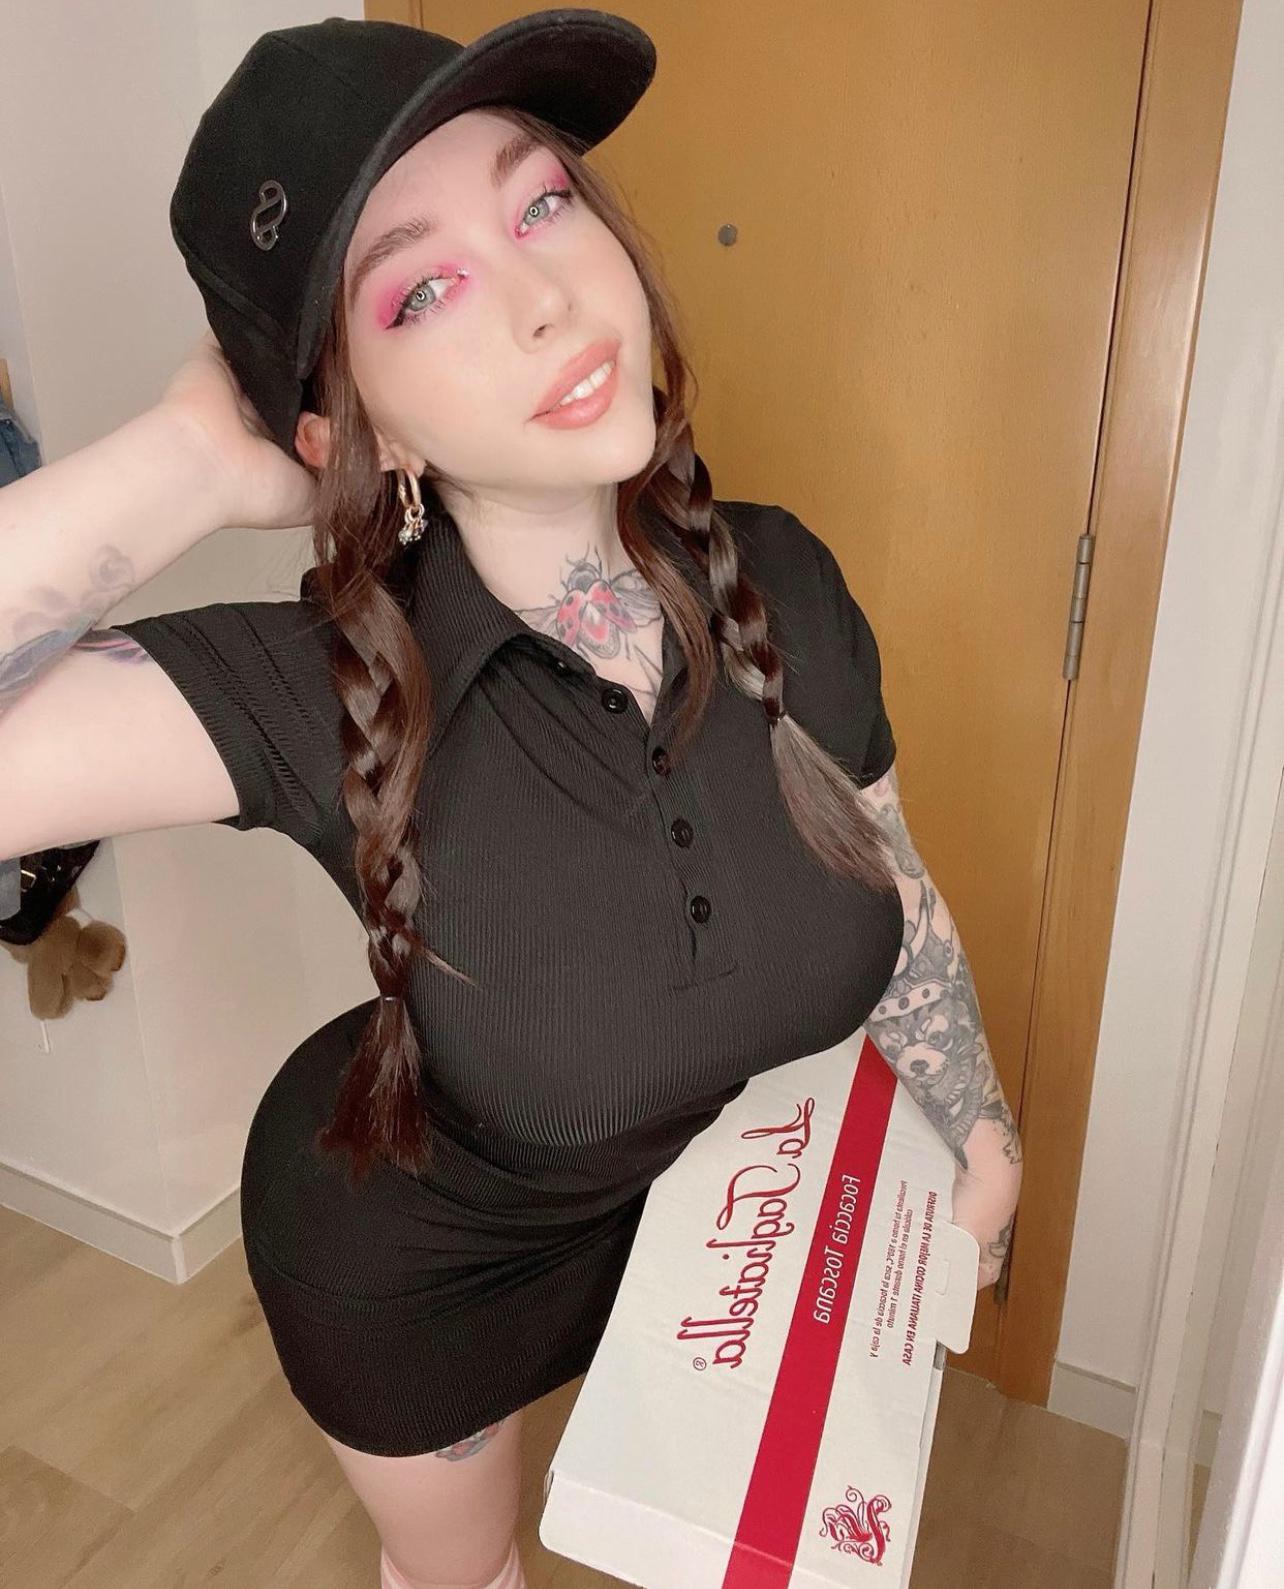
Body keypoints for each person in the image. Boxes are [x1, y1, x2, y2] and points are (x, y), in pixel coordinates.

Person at [0, 12, 1022, 1588]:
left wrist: (982, 1117)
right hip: (424, 1271)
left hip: (697, 1216)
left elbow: (890, 871)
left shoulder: (791, 582)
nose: (547, 293)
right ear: (354, 427)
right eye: (421, 288)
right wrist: (194, 459)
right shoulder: (319, 687)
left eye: (542, 200)